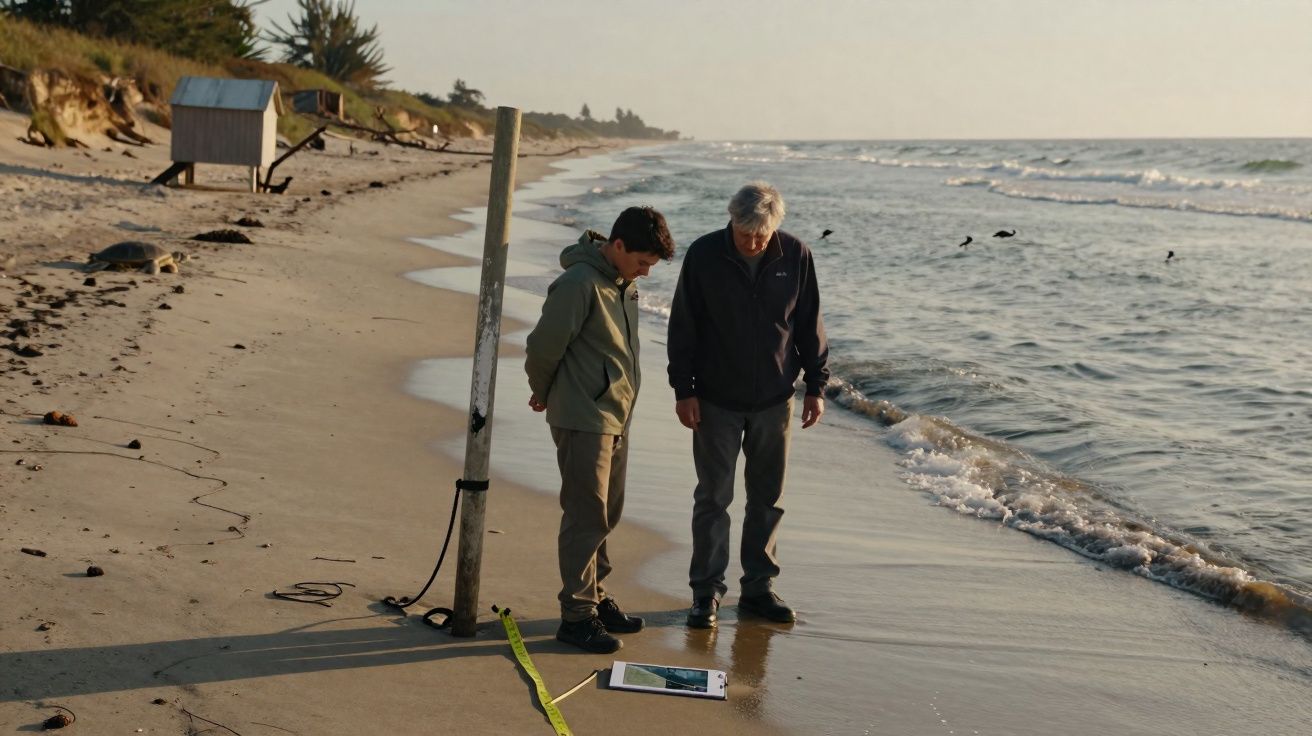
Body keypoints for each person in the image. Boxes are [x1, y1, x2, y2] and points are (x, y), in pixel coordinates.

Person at [667, 182, 829, 629]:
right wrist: (683, 390)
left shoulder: (795, 255)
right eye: (745, 234)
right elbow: (683, 326)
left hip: (775, 400)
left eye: (761, 235)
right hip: (714, 399)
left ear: (774, 227)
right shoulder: (704, 255)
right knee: (713, 498)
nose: (753, 243)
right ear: (731, 220)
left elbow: (809, 324)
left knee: (767, 498)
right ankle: (706, 592)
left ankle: (758, 588)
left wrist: (816, 386)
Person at [525, 206, 676, 653]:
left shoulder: (624, 285)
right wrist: (543, 391)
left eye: (651, 265)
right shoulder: (579, 283)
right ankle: (576, 616)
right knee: (585, 515)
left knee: (607, 513)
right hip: (582, 416)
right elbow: (543, 346)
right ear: (618, 245)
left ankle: (596, 595)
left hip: (615, 415)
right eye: (642, 262)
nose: (646, 272)